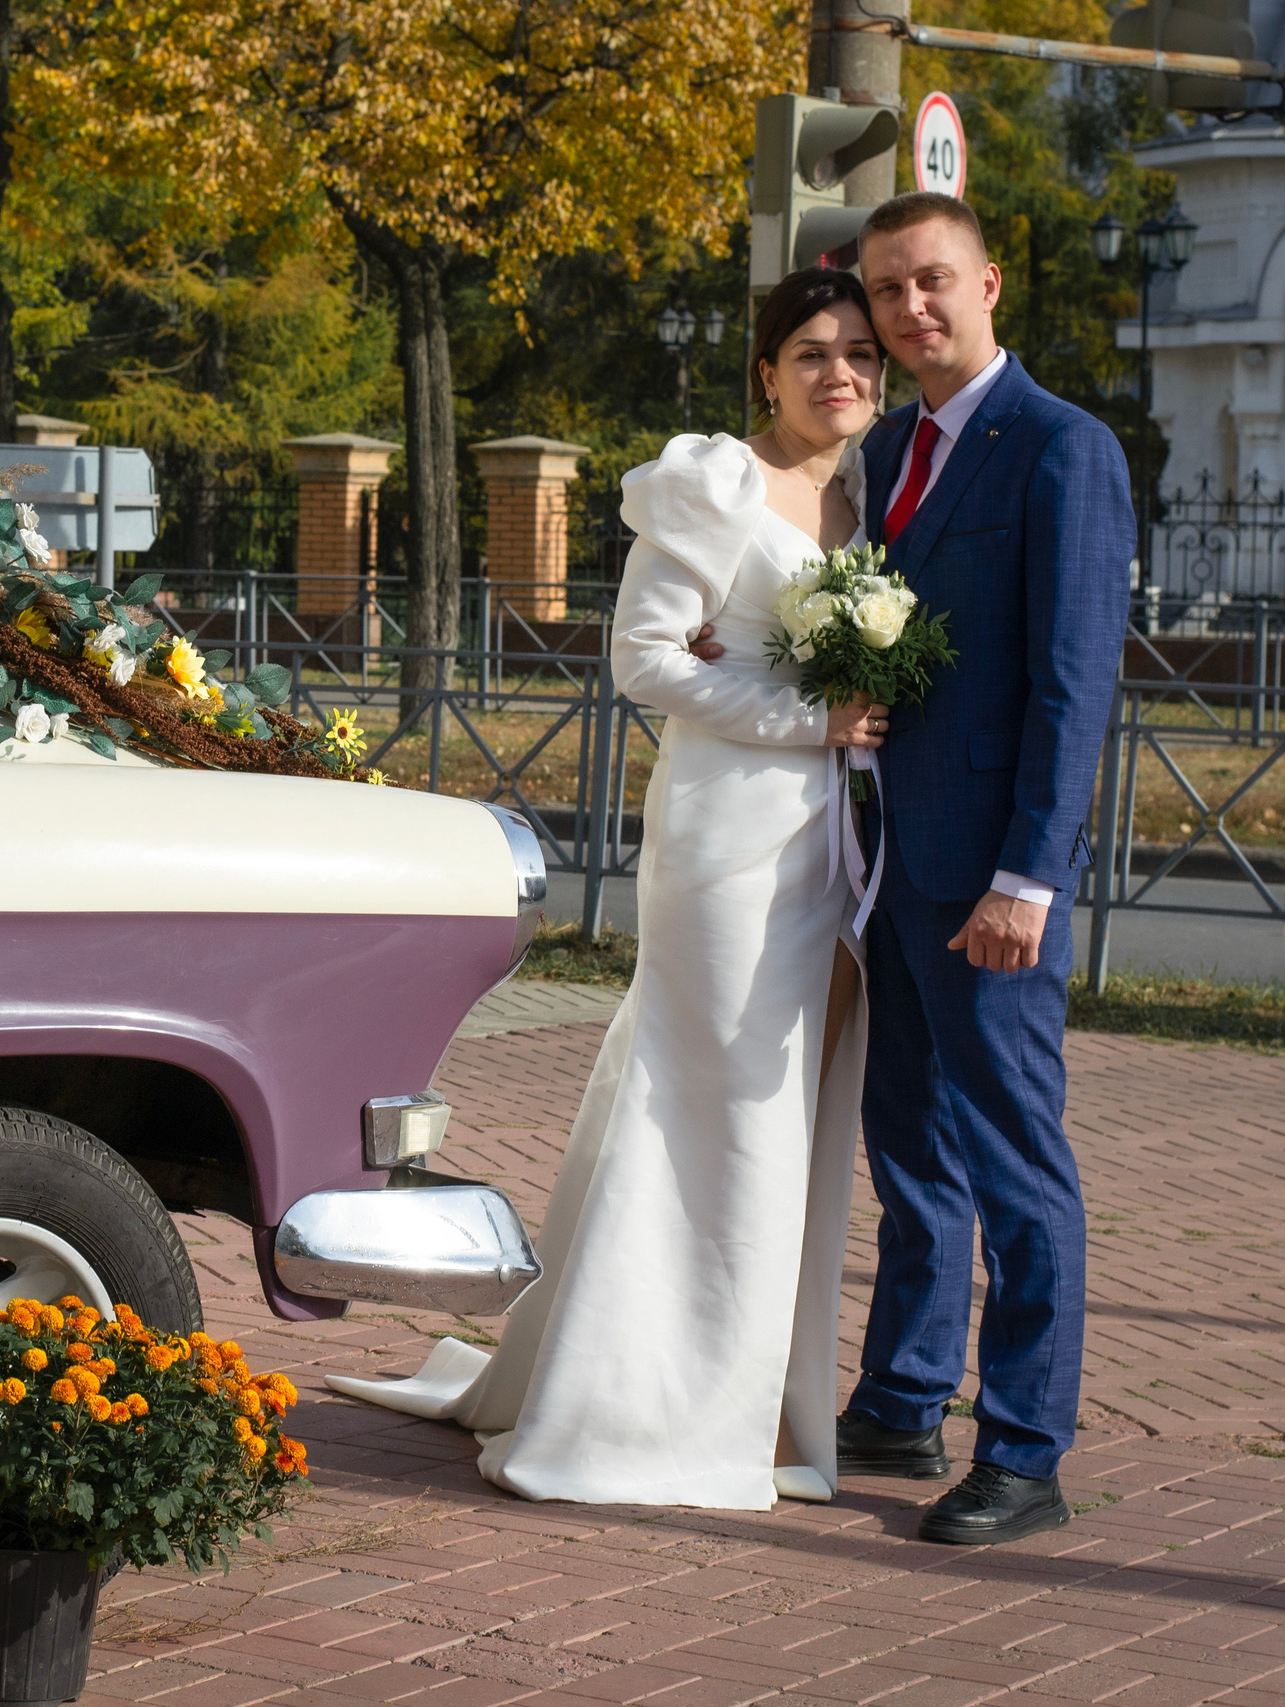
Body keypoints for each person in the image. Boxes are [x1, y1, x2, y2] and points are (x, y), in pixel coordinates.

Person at [327, 269, 892, 1509]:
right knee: (720, 1103)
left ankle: (755, 1402)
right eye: (809, 352)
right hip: (729, 838)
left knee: (789, 1113)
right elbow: (639, 659)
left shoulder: (865, 493)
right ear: (764, 370)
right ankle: (644, 1409)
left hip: (833, 851)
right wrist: (815, 721)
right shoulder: (716, 482)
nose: (838, 373)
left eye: (859, 353)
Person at [827, 192, 1134, 1544]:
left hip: (991, 880)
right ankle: (901, 1396)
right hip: (891, 862)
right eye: (890, 292)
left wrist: (1030, 876)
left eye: (934, 282)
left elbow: (1074, 688)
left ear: (991, 283)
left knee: (1014, 1159)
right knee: (910, 1148)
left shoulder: (1062, 449)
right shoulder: (891, 445)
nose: (912, 312)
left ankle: (1024, 1446)